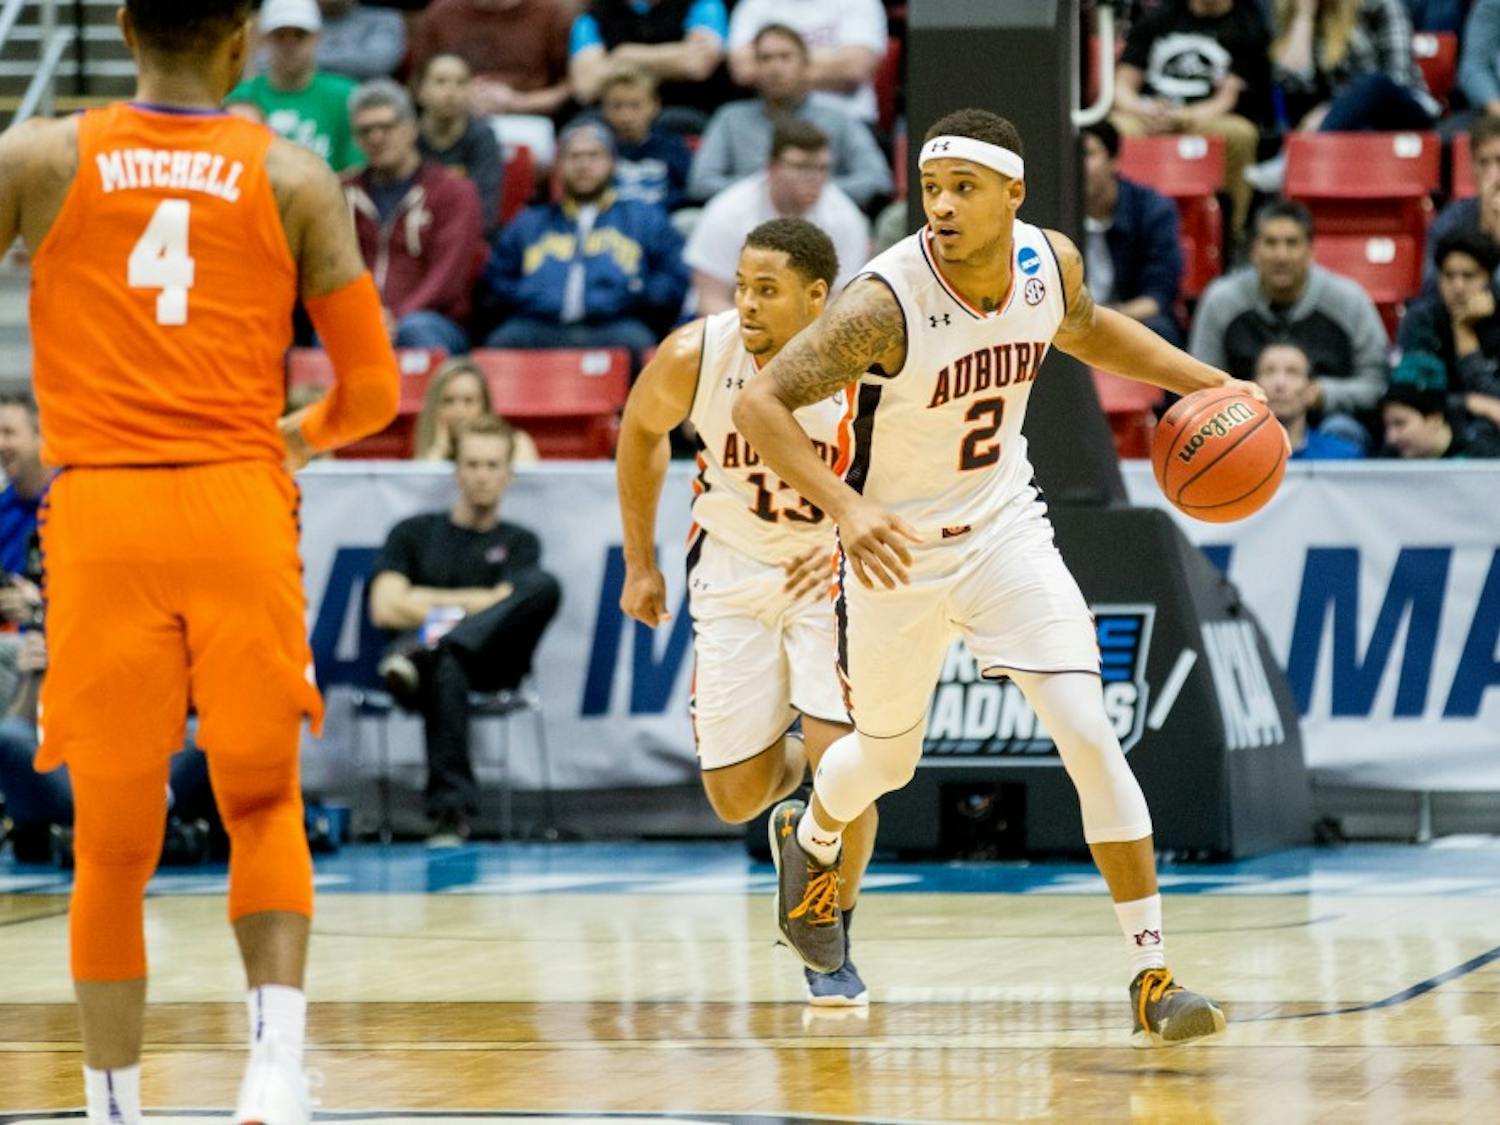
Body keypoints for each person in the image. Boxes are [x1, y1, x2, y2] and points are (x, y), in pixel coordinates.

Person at [733, 107, 1247, 1046]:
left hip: (1005, 526)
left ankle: (1151, 973)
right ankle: (809, 835)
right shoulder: (882, 304)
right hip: (894, 551)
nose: (941, 206)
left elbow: (1087, 328)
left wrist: (1202, 382)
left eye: (963, 188)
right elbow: (762, 403)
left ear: (1014, 193)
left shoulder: (1049, 262)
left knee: (1091, 731)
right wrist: (847, 510)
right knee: (888, 762)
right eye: (931, 188)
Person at [0, 1, 402, 1120]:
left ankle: (114, 1105)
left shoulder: (34, 155)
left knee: (112, 841)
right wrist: (295, 436)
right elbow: (372, 392)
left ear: (124, 27)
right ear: (240, 42)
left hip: (101, 516)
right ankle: (273, 1071)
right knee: (264, 801)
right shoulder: (294, 176)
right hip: (236, 504)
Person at [616, 217, 876, 1004]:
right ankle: (798, 802)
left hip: (826, 568)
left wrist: (844, 527)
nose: (750, 302)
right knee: (734, 793)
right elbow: (639, 431)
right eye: (743, 286)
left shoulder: (865, 360)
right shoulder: (696, 355)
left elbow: (906, 472)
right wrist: (640, 563)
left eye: (769, 289)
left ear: (816, 296)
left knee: (850, 765)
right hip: (729, 567)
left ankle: (827, 928)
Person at [370, 415, 562, 844]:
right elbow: (385, 607)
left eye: (493, 465)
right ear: (457, 469)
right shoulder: (413, 533)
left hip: (492, 661)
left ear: (509, 474)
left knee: (544, 586)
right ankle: (449, 813)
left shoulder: (520, 542)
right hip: (441, 671)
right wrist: (487, 600)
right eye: (473, 464)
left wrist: (425, 604)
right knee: (447, 663)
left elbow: (521, 603)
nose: (482, 476)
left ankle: (432, 649)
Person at [480, 121, 689, 354]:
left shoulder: (645, 219)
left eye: (594, 155)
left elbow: (675, 276)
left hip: (616, 326)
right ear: (558, 166)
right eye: (574, 157)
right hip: (539, 325)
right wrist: (527, 294)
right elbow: (495, 278)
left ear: (612, 162)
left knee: (645, 347)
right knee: (500, 344)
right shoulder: (529, 221)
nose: (583, 164)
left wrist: (638, 294)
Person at [1189, 200, 1388, 440]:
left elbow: (1377, 383)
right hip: (1240, 425)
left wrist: (1322, 394)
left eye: (1292, 243)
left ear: (1310, 251)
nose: (1281, 255)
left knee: (1343, 430)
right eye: (1271, 243)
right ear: (1254, 250)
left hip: (1327, 424)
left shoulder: (1348, 300)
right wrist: (1246, 397)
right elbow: (1199, 385)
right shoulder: (1221, 301)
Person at [344, 79, 486, 353]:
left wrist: (395, 318)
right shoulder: (342, 192)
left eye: (386, 127)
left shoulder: (453, 192)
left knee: (416, 330)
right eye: (365, 130)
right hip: (359, 318)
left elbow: (448, 276)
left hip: (435, 321)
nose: (376, 138)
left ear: (411, 129)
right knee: (328, 334)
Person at [1111, 0, 1272, 241]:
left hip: (1207, 119)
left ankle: (1231, 233)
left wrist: (1183, 117)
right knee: (1113, 130)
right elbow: (1122, 84)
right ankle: (1116, 224)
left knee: (1241, 134)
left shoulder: (1248, 26)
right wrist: (1141, 110)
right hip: (1150, 115)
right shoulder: (1156, 19)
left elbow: (1229, 97)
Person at [688, 24, 891, 209]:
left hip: (823, 217)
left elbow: (877, 180)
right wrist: (769, 190)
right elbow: (700, 182)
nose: (775, 68)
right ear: (755, 67)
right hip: (743, 218)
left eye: (785, 57)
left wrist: (810, 190)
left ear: (806, 65)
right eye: (765, 58)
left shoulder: (839, 119)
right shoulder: (730, 118)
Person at [686, 119, 869, 313]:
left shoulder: (844, 217)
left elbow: (839, 301)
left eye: (822, 168)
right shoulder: (729, 211)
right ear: (772, 167)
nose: (814, 178)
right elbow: (711, 299)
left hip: (809, 329)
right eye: (801, 167)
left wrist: (800, 340)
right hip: (731, 320)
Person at [226, 0, 364, 171]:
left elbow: (356, 171)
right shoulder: (239, 98)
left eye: (300, 35)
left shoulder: (347, 96)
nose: (289, 45)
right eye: (280, 36)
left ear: (318, 37)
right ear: (264, 40)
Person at [1081, 120, 1184, 347]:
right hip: (1070, 324)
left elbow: (1158, 296)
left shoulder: (1153, 210)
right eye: (1071, 154)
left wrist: (1104, 319)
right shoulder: (1052, 210)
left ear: (1114, 161)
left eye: (1087, 154)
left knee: (1160, 330)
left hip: (1128, 317)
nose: (1077, 164)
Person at [1395, 230, 1500, 432]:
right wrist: (1469, 402)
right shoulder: (1421, 320)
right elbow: (1410, 397)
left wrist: (1463, 332)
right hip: (1431, 432)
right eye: (1449, 276)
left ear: (1489, 279)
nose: (1457, 286)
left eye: (1469, 276)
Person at [568, 0, 733, 126]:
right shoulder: (595, 14)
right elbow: (586, 86)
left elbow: (697, 65)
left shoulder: (702, 3)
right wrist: (675, 58)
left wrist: (624, 55)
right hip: (613, 119)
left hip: (687, 111)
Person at [725, 0, 889, 126]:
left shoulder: (859, 2)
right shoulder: (754, 5)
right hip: (770, 124)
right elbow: (743, 70)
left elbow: (854, 68)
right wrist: (832, 64)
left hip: (851, 120)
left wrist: (773, 65)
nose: (778, 66)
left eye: (785, 57)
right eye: (768, 57)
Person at [409, 0, 574, 118]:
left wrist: (519, 103)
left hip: (530, 120)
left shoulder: (551, 12)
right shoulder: (442, 13)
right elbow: (418, 82)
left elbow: (571, 86)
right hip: (454, 120)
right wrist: (457, 94)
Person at [415, 53, 505, 235]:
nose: (451, 92)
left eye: (461, 83)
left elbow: (486, 209)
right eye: (440, 81)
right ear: (420, 90)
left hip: (466, 236)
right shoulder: (407, 136)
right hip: (413, 234)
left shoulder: (483, 137)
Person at [601, 66, 693, 213]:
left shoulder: (672, 147)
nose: (626, 116)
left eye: (635, 106)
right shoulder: (599, 149)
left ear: (655, 105)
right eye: (617, 106)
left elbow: (687, 190)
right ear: (604, 108)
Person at [413, 357, 541, 463]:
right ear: (434, 407)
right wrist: (438, 450)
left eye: (469, 401)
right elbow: (421, 491)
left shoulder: (517, 446)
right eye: (448, 401)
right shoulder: (428, 456)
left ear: (484, 405)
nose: (459, 412)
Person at [1425, 114, 1500, 292]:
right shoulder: (1450, 222)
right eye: (1483, 163)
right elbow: (1429, 290)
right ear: (1473, 167)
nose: (1494, 175)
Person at [1254, 341, 1365, 457]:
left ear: (1310, 389)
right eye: (1269, 371)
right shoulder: (1235, 456)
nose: (1280, 384)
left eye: (1292, 372)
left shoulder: (1343, 457)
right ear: (1253, 385)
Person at [1381, 383, 1500, 456]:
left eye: (1400, 424)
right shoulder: (1389, 458)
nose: (1391, 438)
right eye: (1386, 427)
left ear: (1434, 419)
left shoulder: (1484, 455)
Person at [314, 0, 406, 80]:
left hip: (364, 94)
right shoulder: (305, 17)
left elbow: (376, 63)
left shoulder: (384, 17)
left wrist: (311, 61)